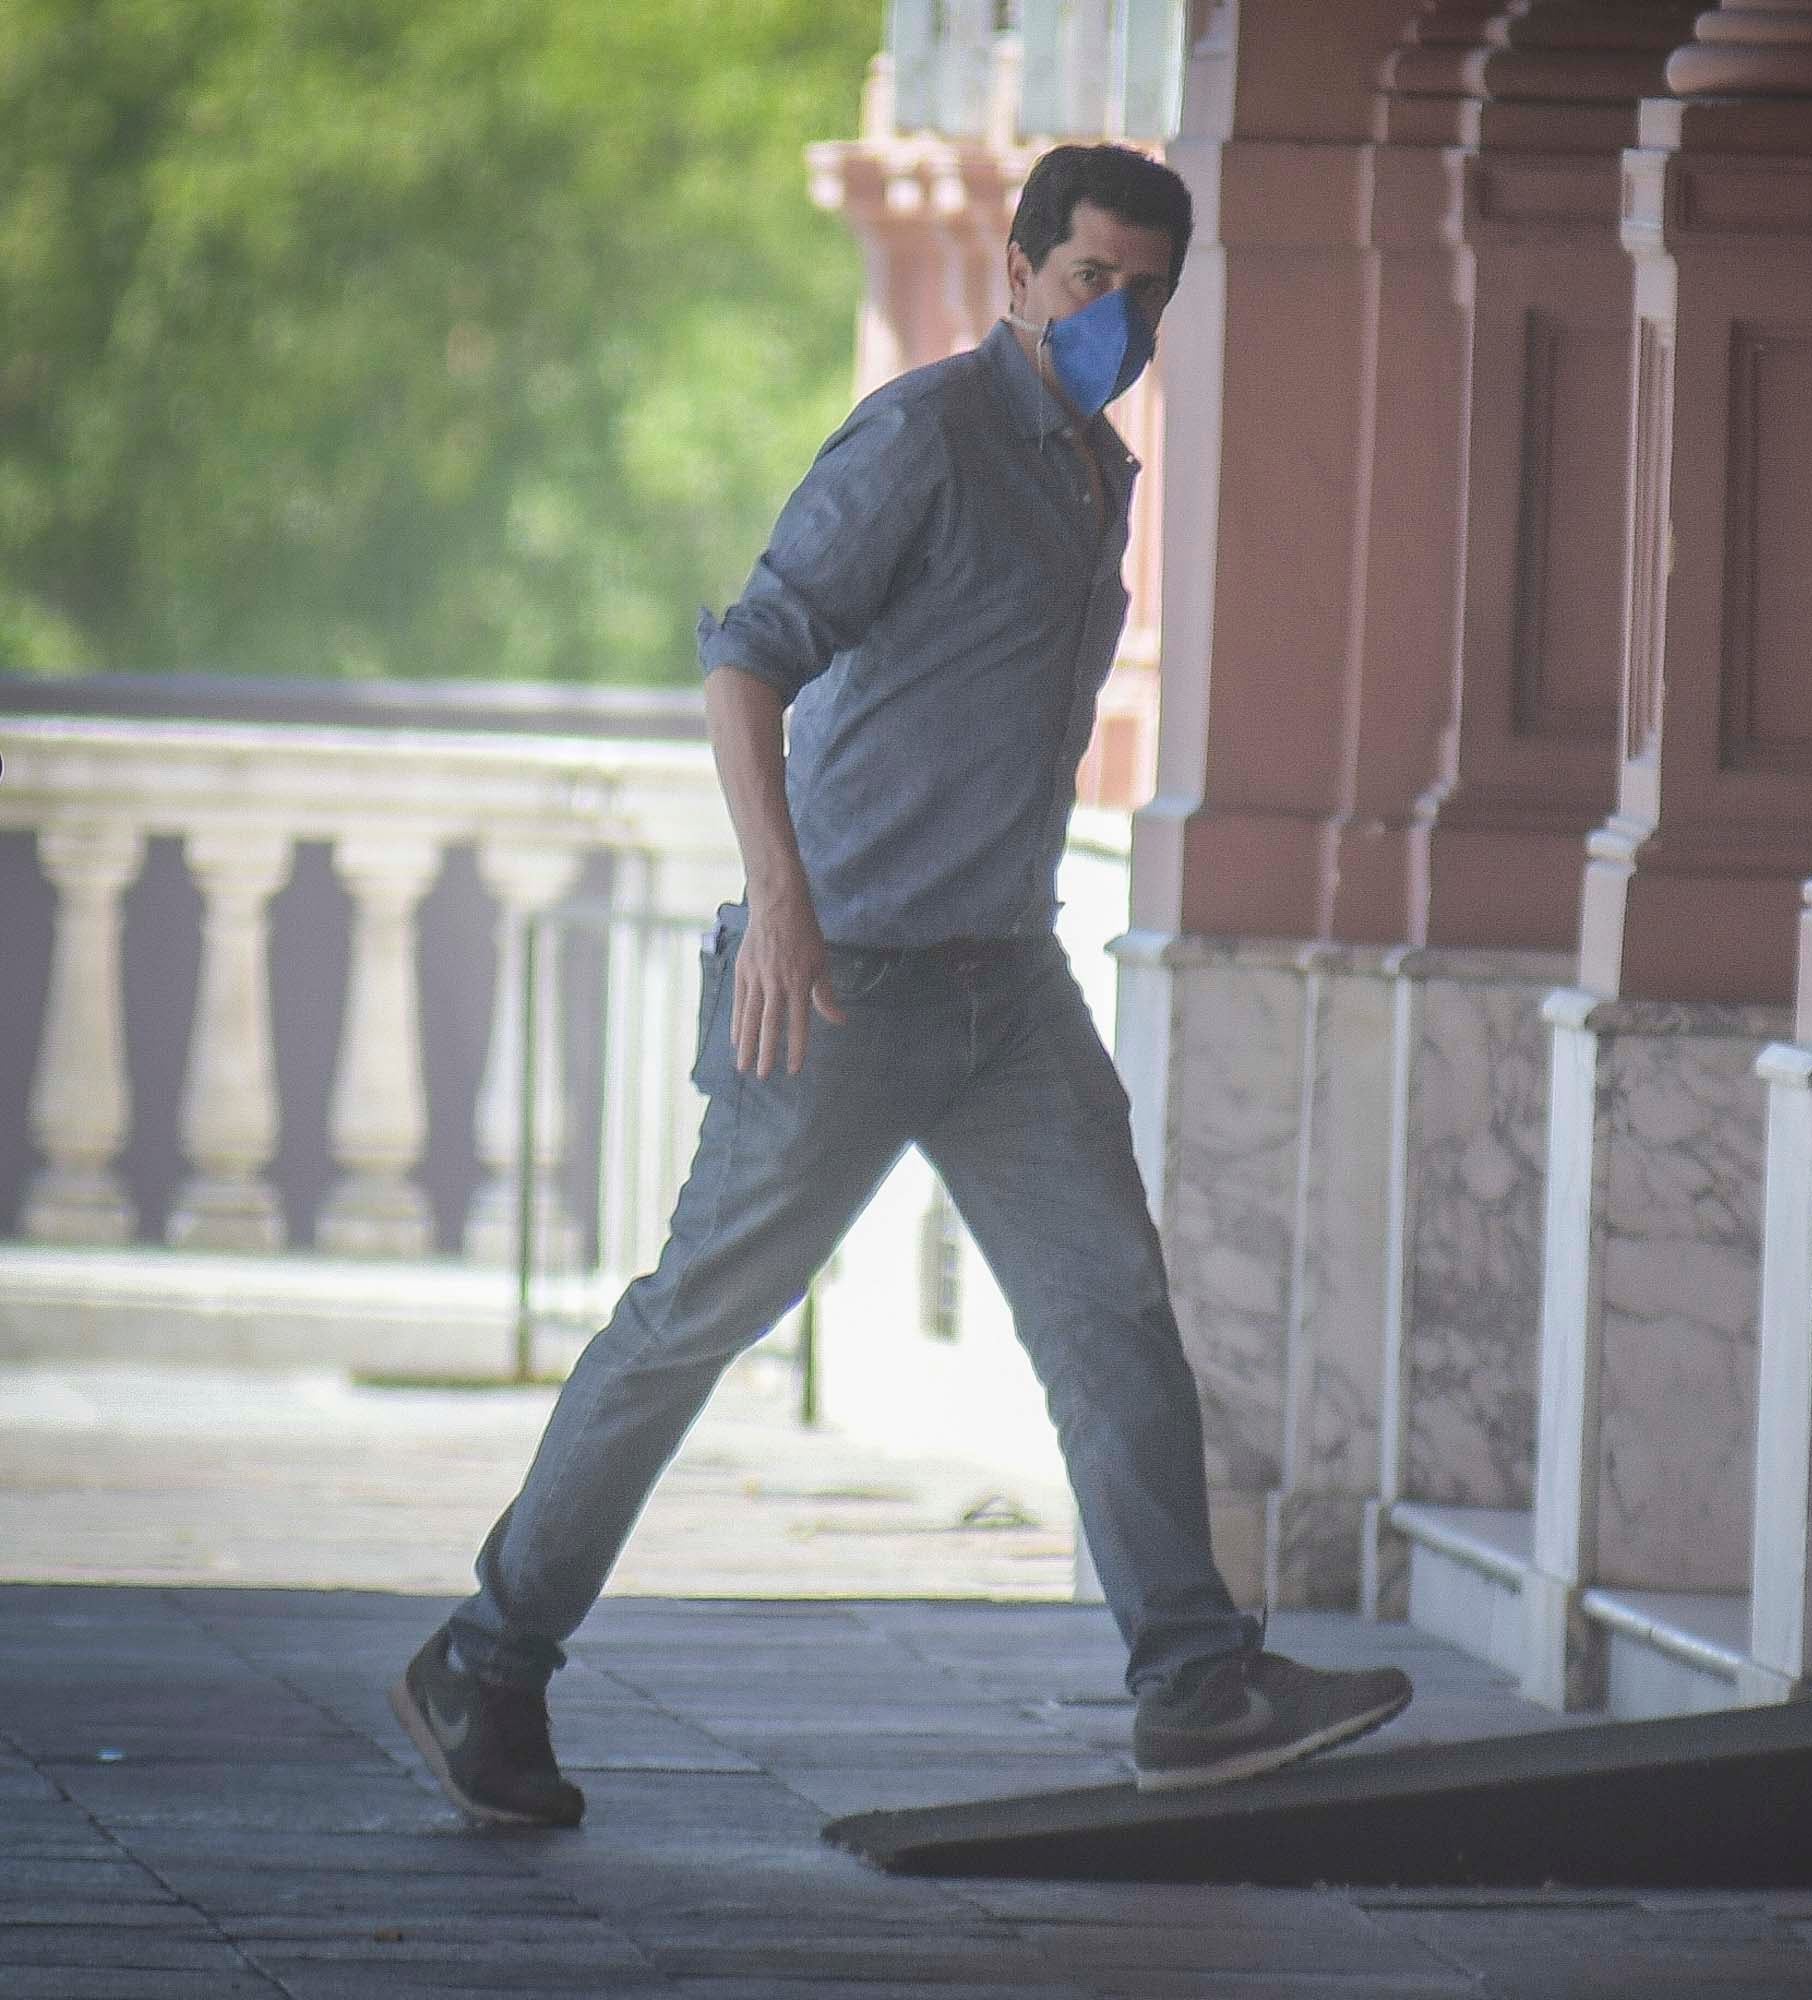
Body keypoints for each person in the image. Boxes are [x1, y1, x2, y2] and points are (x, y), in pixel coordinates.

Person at [389, 144, 1412, 1828]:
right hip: (842, 980)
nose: (1123, 317)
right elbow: (746, 657)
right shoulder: (922, 439)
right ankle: (486, 1662)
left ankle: (1194, 1687)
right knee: (692, 1323)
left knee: (1110, 1319)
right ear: (1017, 275)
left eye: (1152, 291)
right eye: (1093, 281)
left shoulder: (1097, 468)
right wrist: (779, 904)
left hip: (1004, 981)